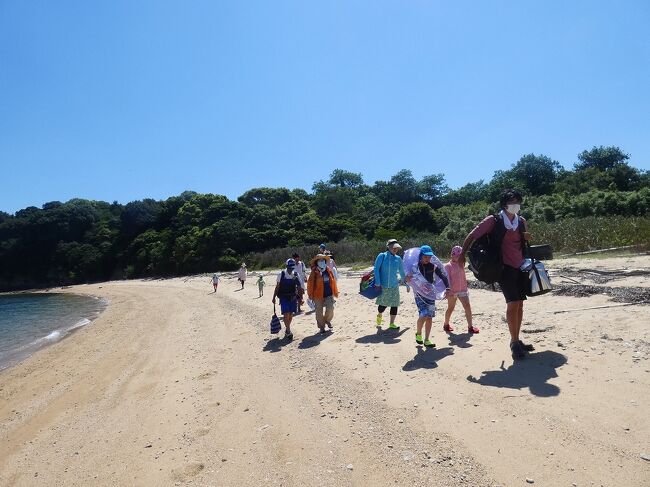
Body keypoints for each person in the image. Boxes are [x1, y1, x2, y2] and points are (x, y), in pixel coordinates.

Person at [460, 189, 532, 360]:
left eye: (517, 201)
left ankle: (517, 338)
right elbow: (472, 234)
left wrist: (527, 238)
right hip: (503, 268)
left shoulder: (521, 221)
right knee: (513, 303)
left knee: (520, 304)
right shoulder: (494, 220)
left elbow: (523, 243)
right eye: (512, 201)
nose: (515, 204)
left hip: (521, 266)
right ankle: (514, 342)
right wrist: (462, 254)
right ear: (504, 204)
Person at [409, 245, 450, 348]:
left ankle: (427, 340)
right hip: (419, 294)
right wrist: (407, 278)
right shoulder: (415, 267)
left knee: (429, 317)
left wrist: (448, 288)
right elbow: (408, 278)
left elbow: (443, 276)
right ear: (421, 256)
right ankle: (418, 333)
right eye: (425, 257)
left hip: (430, 293)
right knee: (423, 314)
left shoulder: (433, 266)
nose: (427, 259)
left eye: (429, 257)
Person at [444, 246, 480, 334]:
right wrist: (448, 290)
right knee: (451, 308)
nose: (458, 258)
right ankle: (446, 324)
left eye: (460, 256)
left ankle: (470, 327)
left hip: (463, 290)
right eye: (456, 256)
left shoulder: (462, 263)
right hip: (453, 291)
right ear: (452, 255)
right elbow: (446, 279)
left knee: (467, 306)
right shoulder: (448, 266)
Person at [373, 239, 406, 330]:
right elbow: (376, 269)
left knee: (395, 304)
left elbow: (402, 272)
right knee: (382, 306)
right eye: (393, 248)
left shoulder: (398, 258)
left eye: (396, 248)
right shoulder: (382, 256)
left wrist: (406, 283)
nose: (395, 249)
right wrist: (378, 283)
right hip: (383, 285)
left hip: (394, 286)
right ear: (389, 247)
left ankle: (392, 323)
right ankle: (379, 315)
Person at [272, 259, 305, 341]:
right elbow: (278, 286)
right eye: (289, 267)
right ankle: (289, 330)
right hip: (283, 297)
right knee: (286, 314)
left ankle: (287, 329)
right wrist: (274, 297)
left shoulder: (295, 275)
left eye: (292, 267)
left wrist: (300, 299)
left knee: (290, 315)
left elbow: (299, 287)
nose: (291, 269)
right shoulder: (281, 274)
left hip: (293, 297)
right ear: (287, 266)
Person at [307, 254, 339, 333]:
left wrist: (334, 291)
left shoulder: (328, 270)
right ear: (317, 262)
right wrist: (310, 295)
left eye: (323, 260)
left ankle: (327, 320)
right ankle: (321, 327)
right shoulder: (314, 272)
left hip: (328, 294)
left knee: (330, 309)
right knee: (319, 312)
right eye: (320, 260)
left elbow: (333, 281)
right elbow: (310, 284)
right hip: (317, 295)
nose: (322, 262)